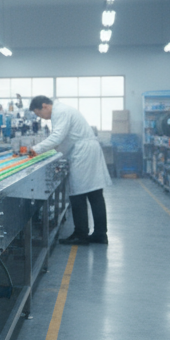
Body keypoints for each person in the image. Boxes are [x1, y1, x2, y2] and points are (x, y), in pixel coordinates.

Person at [29, 95, 111, 244]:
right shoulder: (63, 111)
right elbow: (65, 140)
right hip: (86, 151)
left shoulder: (60, 112)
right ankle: (100, 234)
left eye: (39, 114)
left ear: (45, 106)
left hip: (83, 153)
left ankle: (81, 234)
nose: (42, 118)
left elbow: (57, 137)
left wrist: (34, 150)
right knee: (95, 194)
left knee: (77, 193)